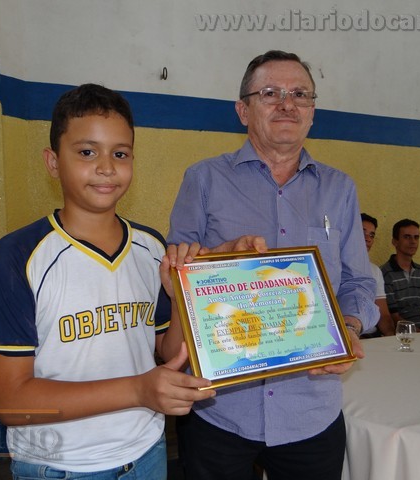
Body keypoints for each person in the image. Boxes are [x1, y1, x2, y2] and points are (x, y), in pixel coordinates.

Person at [0, 84, 215, 479]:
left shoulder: (151, 247)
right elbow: (10, 400)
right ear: (53, 162)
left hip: (146, 451)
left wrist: (179, 303)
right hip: (60, 465)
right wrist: (138, 390)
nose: (106, 167)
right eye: (87, 152)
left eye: (120, 154)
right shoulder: (18, 255)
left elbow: (168, 351)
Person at [167, 50, 378, 480]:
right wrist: (224, 254)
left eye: (300, 94)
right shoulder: (203, 179)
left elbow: (357, 281)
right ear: (243, 110)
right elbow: (176, 277)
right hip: (220, 410)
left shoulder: (340, 189)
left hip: (310, 411)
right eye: (270, 93)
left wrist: (348, 329)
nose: (287, 104)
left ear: (313, 112)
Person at [380, 219, 420, 332]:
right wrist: (419, 334)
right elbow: (393, 316)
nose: (413, 241)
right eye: (407, 237)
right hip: (403, 333)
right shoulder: (384, 273)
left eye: (416, 237)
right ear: (395, 241)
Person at [360, 213, 395, 337]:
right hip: (344, 336)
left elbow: (383, 314)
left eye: (372, 235)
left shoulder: (375, 271)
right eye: (362, 232)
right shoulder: (333, 268)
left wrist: (391, 337)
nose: (368, 239)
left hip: (371, 335)